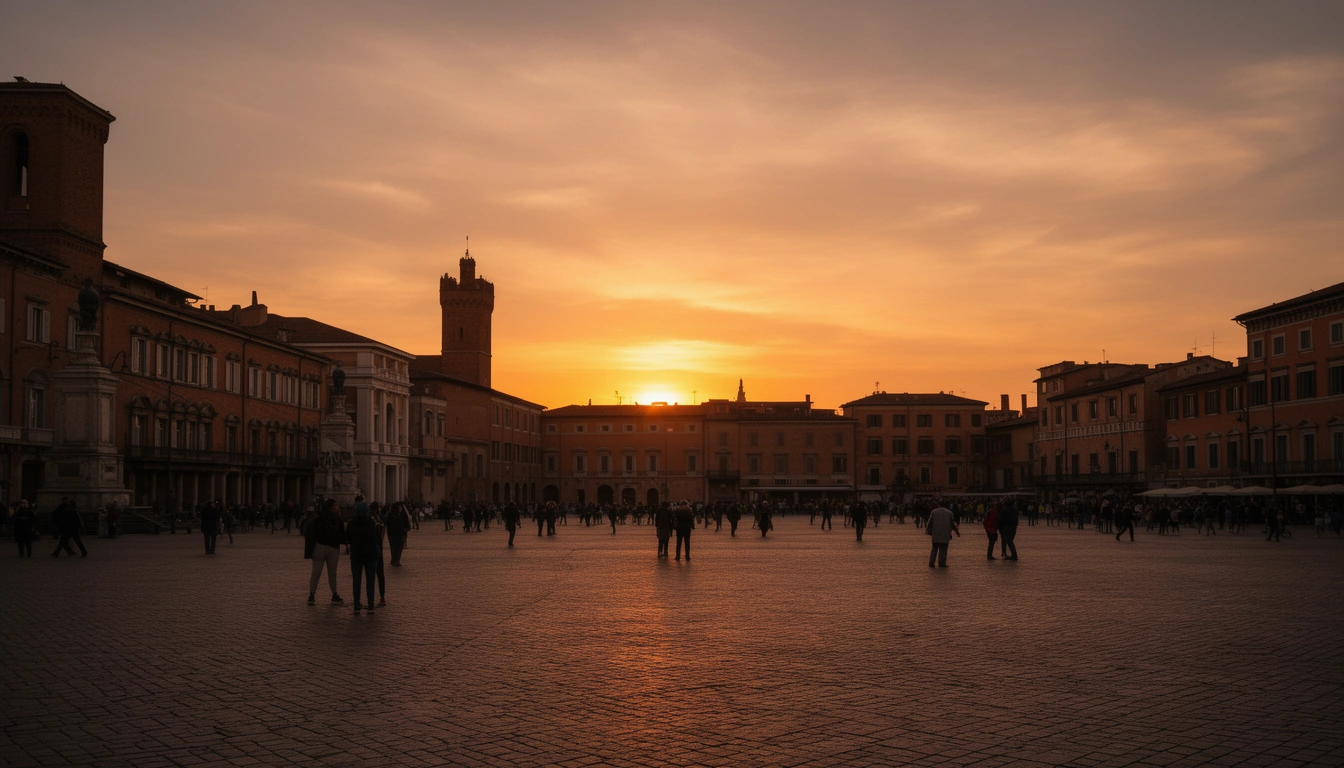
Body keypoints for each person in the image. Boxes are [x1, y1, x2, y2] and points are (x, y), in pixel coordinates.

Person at [306, 498, 346, 605]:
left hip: (325, 547)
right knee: (319, 572)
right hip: (326, 547)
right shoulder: (326, 519)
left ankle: (328, 594)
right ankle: (313, 594)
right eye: (334, 506)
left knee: (328, 573)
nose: (336, 508)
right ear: (329, 508)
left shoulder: (321, 519)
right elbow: (342, 535)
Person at [345, 503, 382, 614]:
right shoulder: (372, 523)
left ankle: (357, 606)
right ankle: (370, 606)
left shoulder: (352, 523)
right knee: (370, 581)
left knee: (356, 581)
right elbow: (377, 538)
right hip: (371, 555)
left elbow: (348, 538)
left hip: (356, 555)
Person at [385, 501, 411, 566]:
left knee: (393, 548)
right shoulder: (398, 516)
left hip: (391, 534)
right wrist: (405, 530)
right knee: (398, 548)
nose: (401, 508)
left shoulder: (390, 515)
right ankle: (396, 560)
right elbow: (400, 526)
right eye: (400, 507)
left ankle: (393, 560)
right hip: (398, 534)